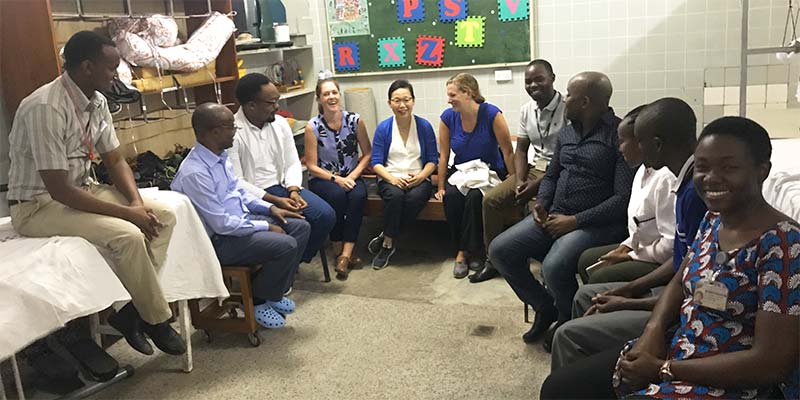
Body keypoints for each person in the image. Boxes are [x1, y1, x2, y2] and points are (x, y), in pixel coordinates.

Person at [541, 116, 800, 400]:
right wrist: (652, 330)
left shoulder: (785, 244)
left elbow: (770, 364)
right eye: (702, 167)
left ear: (763, 170)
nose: (711, 178)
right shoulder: (714, 220)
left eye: (729, 168)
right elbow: (680, 280)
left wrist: (664, 368)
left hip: (730, 379)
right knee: (558, 388)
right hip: (681, 344)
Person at [6, 31, 185, 356]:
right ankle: (156, 319)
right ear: (87, 67)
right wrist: (129, 214)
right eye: (111, 68)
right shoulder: (45, 107)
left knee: (164, 217)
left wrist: (135, 202)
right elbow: (59, 189)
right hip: (37, 206)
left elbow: (114, 159)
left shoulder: (97, 101)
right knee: (129, 235)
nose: (116, 74)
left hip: (82, 189)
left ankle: (132, 312)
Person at [549, 98, 708, 368]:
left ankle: (589, 356)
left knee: (579, 307)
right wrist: (629, 281)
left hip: (679, 301)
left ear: (656, 144)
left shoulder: (691, 192)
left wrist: (630, 296)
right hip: (671, 285)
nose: (627, 148)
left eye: (638, 140)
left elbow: (686, 275)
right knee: (586, 285)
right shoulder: (667, 179)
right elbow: (684, 262)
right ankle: (591, 358)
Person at [490, 71, 634, 344]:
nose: (565, 99)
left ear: (586, 102)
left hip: (594, 224)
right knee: (500, 250)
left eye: (570, 95)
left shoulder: (618, 135)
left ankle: (568, 322)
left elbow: (622, 198)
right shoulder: (567, 132)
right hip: (554, 214)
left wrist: (575, 221)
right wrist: (542, 203)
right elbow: (553, 175)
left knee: (553, 266)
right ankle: (545, 308)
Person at [171, 103, 310, 329]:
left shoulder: (219, 156)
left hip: (238, 225)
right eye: (230, 127)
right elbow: (222, 224)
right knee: (285, 245)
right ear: (214, 132)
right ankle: (257, 300)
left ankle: (270, 291)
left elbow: (238, 192)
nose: (235, 130)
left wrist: (268, 208)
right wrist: (265, 227)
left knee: (301, 227)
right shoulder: (195, 173)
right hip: (218, 241)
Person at [473, 59, 567, 283]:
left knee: (536, 208)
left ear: (552, 78)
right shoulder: (527, 110)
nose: (533, 85)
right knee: (490, 200)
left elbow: (567, 155)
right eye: (528, 81)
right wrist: (519, 181)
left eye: (539, 79)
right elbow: (522, 150)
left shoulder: (567, 108)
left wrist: (535, 186)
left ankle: (548, 269)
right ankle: (494, 261)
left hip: (560, 172)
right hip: (535, 168)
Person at [228, 73, 335, 267]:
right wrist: (276, 200)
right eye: (271, 102)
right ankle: (283, 268)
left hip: (284, 187)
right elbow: (237, 181)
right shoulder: (233, 132)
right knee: (302, 222)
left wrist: (293, 189)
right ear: (251, 105)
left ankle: (290, 265)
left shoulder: (280, 124)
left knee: (325, 215)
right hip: (257, 194)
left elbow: (292, 162)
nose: (277, 107)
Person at [576, 105, 675, 285]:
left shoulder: (666, 179)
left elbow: (670, 247)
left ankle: (603, 304)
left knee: (601, 276)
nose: (620, 149)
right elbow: (641, 226)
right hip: (643, 247)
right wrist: (625, 247)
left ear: (641, 142)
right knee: (587, 259)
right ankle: (593, 308)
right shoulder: (642, 171)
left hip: (662, 259)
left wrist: (631, 256)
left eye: (622, 141)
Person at [434, 72, 515, 279]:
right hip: (461, 172)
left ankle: (475, 249)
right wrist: (441, 187)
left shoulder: (492, 114)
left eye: (452, 95)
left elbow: (507, 151)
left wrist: (515, 180)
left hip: (490, 171)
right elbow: (443, 156)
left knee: (474, 198)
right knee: (452, 197)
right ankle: (461, 252)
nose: (448, 99)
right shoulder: (448, 117)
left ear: (467, 93)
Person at [304, 78, 372, 280]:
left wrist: (351, 176)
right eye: (326, 94)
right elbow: (311, 165)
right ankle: (337, 246)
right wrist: (337, 179)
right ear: (319, 99)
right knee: (337, 196)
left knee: (358, 196)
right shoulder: (313, 127)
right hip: (324, 178)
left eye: (334, 92)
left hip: (351, 176)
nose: (331, 97)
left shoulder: (355, 120)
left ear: (339, 95)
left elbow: (367, 153)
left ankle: (345, 254)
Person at [367, 80, 438, 269]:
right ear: (389, 103)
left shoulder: (424, 126)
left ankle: (386, 236)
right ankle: (388, 245)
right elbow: (376, 163)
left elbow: (432, 160)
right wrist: (393, 179)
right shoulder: (383, 128)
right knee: (395, 197)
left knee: (415, 198)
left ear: (413, 101)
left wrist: (422, 177)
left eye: (406, 99)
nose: (402, 105)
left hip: (419, 177)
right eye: (396, 100)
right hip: (390, 177)